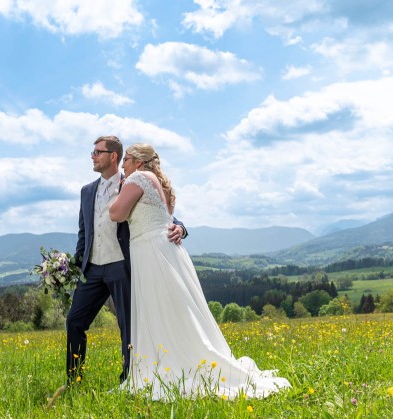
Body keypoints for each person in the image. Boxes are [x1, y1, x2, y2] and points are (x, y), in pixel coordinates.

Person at [109, 143, 291, 400]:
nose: (123, 165)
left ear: (138, 162)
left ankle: (173, 366)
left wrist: (116, 194)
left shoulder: (137, 178)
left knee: (161, 308)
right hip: (159, 250)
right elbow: (165, 219)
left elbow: (116, 213)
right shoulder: (155, 181)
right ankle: (173, 360)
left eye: (126, 159)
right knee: (172, 310)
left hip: (151, 251)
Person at [66, 136, 187, 385]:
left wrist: (181, 228)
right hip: (93, 269)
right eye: (92, 151)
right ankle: (73, 378)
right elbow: (84, 232)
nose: (92, 155)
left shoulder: (133, 180)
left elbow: (161, 214)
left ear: (113, 156)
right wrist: (73, 267)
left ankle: (128, 378)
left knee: (128, 326)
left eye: (98, 151)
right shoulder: (87, 191)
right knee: (74, 320)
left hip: (122, 265)